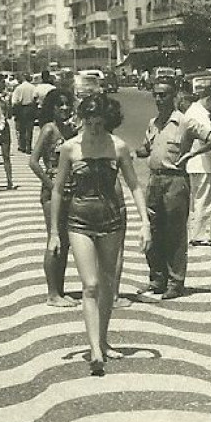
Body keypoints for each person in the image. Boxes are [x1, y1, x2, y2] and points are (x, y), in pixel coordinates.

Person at [50, 93, 150, 377]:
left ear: (107, 121)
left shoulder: (118, 147)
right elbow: (58, 189)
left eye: (98, 123)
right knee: (90, 284)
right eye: (89, 122)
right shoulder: (70, 148)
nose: (93, 129)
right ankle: (94, 350)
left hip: (111, 219)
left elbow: (134, 184)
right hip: (79, 219)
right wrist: (54, 233)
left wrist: (145, 221)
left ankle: (103, 340)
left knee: (107, 283)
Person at [135, 78, 211, 301]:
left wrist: (191, 154)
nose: (158, 99)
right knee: (154, 231)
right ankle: (157, 280)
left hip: (175, 182)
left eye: (163, 95)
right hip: (154, 181)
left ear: (173, 97)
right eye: (155, 94)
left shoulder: (185, 122)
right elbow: (145, 148)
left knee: (175, 234)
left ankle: (175, 282)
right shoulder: (154, 123)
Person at [29, 87, 80, 307]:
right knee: (54, 238)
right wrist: (50, 184)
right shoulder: (49, 129)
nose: (65, 108)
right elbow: (33, 161)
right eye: (60, 104)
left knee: (66, 242)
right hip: (52, 191)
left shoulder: (70, 131)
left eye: (67, 104)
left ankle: (59, 289)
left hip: (71, 188)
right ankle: (52, 292)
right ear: (52, 107)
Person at [184, 84, 211, 248]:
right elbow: (207, 142)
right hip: (203, 164)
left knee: (196, 201)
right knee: (205, 201)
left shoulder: (192, 111)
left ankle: (194, 233)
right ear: (209, 99)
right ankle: (200, 236)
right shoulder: (202, 115)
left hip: (192, 164)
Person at [9, 73, 39, 154]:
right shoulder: (33, 87)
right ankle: (28, 146)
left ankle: (22, 146)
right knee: (29, 129)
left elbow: (14, 101)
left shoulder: (18, 88)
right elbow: (36, 99)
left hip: (21, 109)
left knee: (22, 129)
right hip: (31, 108)